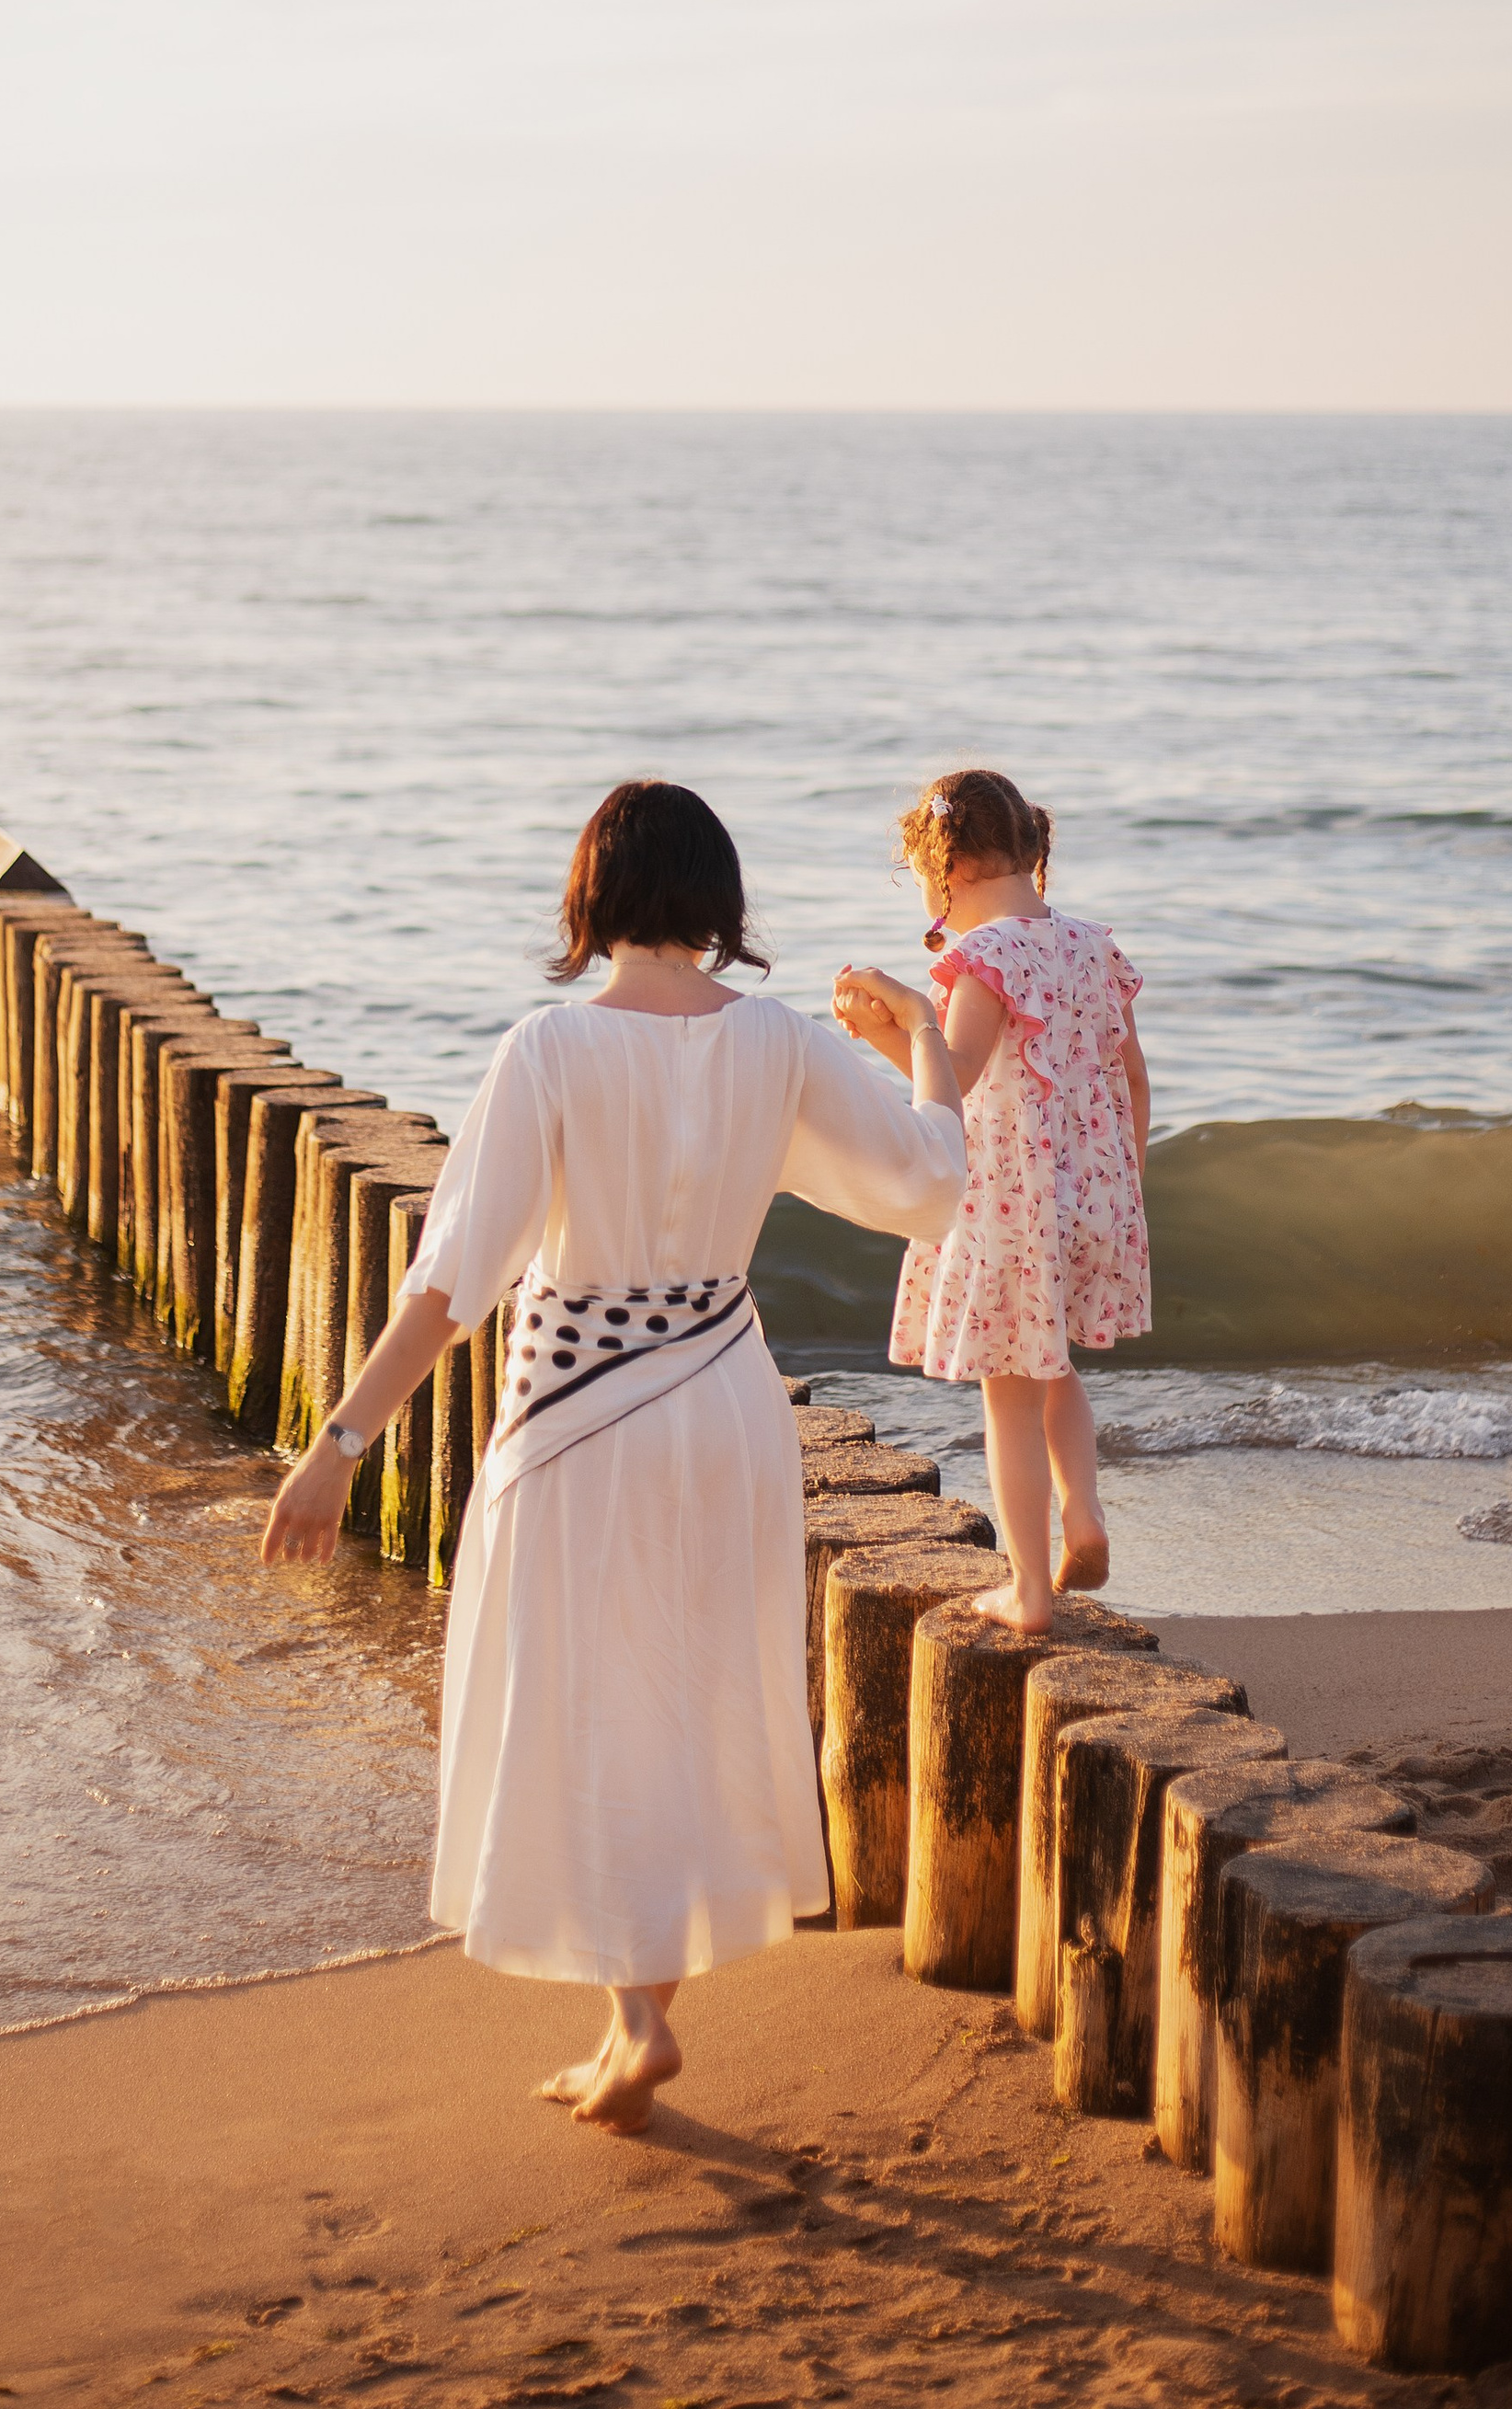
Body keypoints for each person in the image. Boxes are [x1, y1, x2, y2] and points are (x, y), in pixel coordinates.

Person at [260, 778, 966, 2135]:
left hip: (577, 1416)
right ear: (716, 901)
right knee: (687, 1696)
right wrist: (926, 1033)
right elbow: (929, 1182)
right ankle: (637, 2017)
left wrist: (343, 1441)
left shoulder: (546, 1052)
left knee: (583, 1702)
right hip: (724, 1404)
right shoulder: (773, 1043)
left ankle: (634, 2020)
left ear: (593, 897)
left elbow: (453, 1282)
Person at [832, 767, 1150, 1633]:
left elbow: (956, 1085)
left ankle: (1029, 1592)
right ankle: (1081, 1514)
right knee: (1056, 1369)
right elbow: (1129, 1074)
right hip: (1092, 1195)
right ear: (1029, 850)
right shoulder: (1091, 946)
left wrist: (898, 1020)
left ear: (944, 872)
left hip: (1011, 1205)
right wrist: (1129, 1182)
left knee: (1007, 1390)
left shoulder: (984, 960)